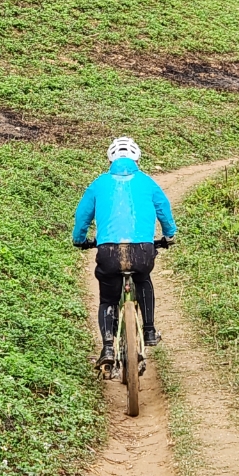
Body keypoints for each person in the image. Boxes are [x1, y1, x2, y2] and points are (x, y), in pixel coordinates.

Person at [72, 136, 176, 368]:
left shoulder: (99, 184)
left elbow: (82, 216)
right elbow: (164, 210)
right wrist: (169, 235)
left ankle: (108, 346)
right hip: (142, 250)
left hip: (108, 252)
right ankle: (149, 330)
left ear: (110, 159)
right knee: (143, 279)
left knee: (108, 298)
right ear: (137, 158)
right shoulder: (148, 183)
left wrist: (80, 240)